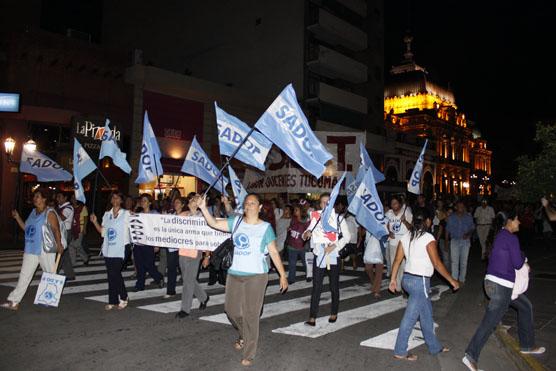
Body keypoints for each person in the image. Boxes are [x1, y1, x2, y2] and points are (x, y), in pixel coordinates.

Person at [198, 193, 288, 367]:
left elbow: (274, 252)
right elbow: (214, 223)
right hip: (235, 274)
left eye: (253, 203)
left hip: (256, 276)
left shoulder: (265, 228)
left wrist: (282, 275)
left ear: (260, 207)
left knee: (251, 315)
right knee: (231, 310)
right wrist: (203, 208)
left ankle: (249, 352)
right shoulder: (237, 222)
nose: (249, 206)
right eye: (246, 203)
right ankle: (243, 335)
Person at [462, 210, 546, 371]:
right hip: (502, 287)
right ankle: (470, 355)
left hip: (493, 284)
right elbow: (517, 263)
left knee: (526, 307)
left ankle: (527, 345)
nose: (519, 223)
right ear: (510, 221)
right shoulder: (510, 237)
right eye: (517, 220)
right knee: (489, 323)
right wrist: (524, 261)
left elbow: (510, 256)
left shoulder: (499, 236)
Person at [389, 211, 460, 361]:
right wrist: (452, 280)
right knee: (409, 318)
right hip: (419, 282)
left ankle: (434, 347)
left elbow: (396, 260)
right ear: (428, 221)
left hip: (407, 280)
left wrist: (393, 279)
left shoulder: (406, 236)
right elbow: (437, 263)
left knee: (426, 315)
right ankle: (400, 350)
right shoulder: (428, 238)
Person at [1, 188, 63, 310]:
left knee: (50, 274)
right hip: (30, 249)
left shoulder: (49, 213)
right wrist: (18, 217)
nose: (35, 199)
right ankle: (14, 302)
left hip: (44, 249)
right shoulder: (33, 212)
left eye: (38, 196)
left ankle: (51, 297)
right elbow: (26, 229)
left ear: (44, 199)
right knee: (24, 276)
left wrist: (59, 245)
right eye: (34, 197)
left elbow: (56, 230)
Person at [302, 193, 351, 326]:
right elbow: (307, 232)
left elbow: (347, 237)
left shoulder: (339, 219)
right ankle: (312, 317)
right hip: (319, 256)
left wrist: (335, 245)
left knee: (334, 286)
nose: (325, 205)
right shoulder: (316, 218)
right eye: (323, 202)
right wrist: (306, 234)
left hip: (333, 256)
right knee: (316, 287)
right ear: (320, 204)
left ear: (332, 204)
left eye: (327, 202)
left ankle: (334, 312)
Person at [89, 192, 130, 310]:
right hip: (108, 248)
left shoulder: (126, 214)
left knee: (115, 273)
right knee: (111, 275)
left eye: (117, 197)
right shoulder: (107, 215)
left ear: (121, 200)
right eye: (113, 197)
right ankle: (112, 300)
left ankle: (124, 296)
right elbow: (102, 232)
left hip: (122, 247)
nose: (115, 199)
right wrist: (95, 221)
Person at [175, 195, 210, 318]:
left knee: (188, 282)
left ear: (200, 203)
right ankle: (204, 297)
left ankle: (185, 309)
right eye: (190, 199)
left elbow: (207, 237)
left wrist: (207, 256)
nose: (191, 201)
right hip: (183, 251)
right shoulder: (183, 215)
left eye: (194, 200)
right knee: (187, 279)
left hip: (195, 253)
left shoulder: (204, 218)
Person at [133, 194, 164, 291]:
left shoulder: (154, 214)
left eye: (145, 200)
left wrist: (157, 244)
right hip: (138, 244)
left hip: (149, 244)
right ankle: (140, 285)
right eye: (142, 200)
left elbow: (159, 229)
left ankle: (159, 278)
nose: (143, 202)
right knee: (139, 265)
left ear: (150, 202)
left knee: (149, 265)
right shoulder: (139, 214)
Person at [386, 195, 413, 292]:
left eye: (395, 203)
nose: (393, 205)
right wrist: (389, 232)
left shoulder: (406, 211)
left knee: (403, 265)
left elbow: (411, 227)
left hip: (403, 242)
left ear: (400, 204)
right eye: (392, 204)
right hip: (393, 242)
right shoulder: (389, 213)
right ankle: (396, 285)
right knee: (394, 263)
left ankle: (403, 285)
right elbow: (386, 224)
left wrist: (404, 221)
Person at [446, 201, 475, 285]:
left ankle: (462, 279)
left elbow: (472, 228)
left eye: (462, 206)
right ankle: (454, 280)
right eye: (459, 206)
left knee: (463, 261)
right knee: (454, 261)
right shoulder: (451, 217)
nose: (461, 208)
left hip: (465, 241)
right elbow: (447, 230)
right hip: (454, 240)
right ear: (456, 207)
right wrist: (446, 242)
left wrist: (468, 234)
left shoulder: (468, 217)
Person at [163, 197, 184, 299]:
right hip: (172, 247)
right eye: (175, 202)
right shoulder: (171, 215)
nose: (175, 204)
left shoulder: (186, 216)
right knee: (171, 269)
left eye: (178, 202)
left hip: (183, 248)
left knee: (184, 270)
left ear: (183, 205)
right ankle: (170, 291)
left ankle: (193, 290)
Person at [286, 205, 310, 284]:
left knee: (305, 263)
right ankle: (291, 279)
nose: (294, 211)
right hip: (292, 245)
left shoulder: (306, 221)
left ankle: (309, 275)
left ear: (301, 211)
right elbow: (290, 229)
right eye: (294, 210)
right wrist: (289, 229)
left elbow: (309, 232)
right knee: (292, 263)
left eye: (296, 210)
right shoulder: (293, 219)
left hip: (303, 246)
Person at [55, 192, 76, 280]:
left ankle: (54, 272)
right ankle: (70, 275)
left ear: (65, 197)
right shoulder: (60, 208)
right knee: (64, 254)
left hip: (66, 232)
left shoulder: (68, 208)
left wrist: (52, 214)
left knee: (60, 253)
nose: (57, 199)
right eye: (57, 197)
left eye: (59, 196)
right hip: (61, 232)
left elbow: (61, 218)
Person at [69, 194, 89, 266]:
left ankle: (85, 257)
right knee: (72, 245)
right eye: (72, 198)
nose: (73, 199)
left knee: (76, 245)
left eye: (74, 198)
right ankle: (72, 261)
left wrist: (84, 228)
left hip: (80, 228)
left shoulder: (82, 207)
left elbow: (85, 218)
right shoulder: (70, 207)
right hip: (71, 228)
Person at [363, 231, 384, 298]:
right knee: (368, 268)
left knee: (379, 271)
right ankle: (374, 283)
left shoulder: (382, 224)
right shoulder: (368, 225)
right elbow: (365, 237)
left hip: (380, 248)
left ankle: (377, 291)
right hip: (369, 248)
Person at [433, 200, 450, 270]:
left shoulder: (444, 211)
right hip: (435, 228)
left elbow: (441, 219)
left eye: (441, 202)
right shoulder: (434, 210)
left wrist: (441, 214)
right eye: (438, 203)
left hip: (440, 227)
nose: (439, 204)